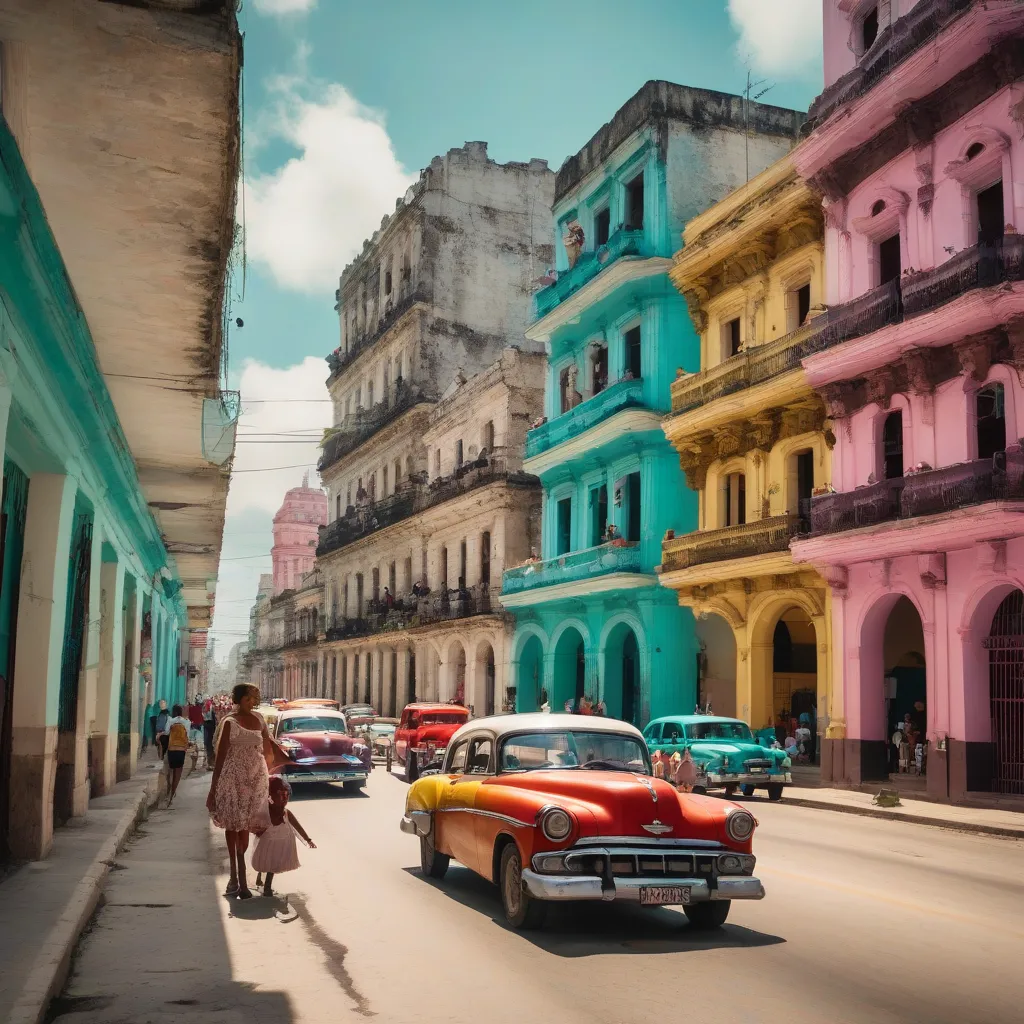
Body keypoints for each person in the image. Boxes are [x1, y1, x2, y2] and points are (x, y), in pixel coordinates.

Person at [206, 684, 289, 899]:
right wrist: (213, 790)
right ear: (240, 699)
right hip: (233, 779)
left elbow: (268, 751)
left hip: (255, 780)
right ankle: (235, 875)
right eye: (250, 698)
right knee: (233, 825)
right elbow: (221, 758)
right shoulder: (229, 723)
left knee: (245, 827)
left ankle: (240, 878)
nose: (253, 702)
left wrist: (271, 778)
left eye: (255, 698)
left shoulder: (260, 720)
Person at [252, 777, 315, 898]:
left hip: (279, 847)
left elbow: (298, 827)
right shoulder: (265, 812)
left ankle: (267, 887)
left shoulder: (286, 813)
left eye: (287, 795)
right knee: (264, 863)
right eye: (281, 795)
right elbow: (255, 827)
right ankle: (261, 878)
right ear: (270, 796)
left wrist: (308, 839)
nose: (285, 798)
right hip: (266, 846)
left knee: (272, 866)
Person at [162, 705, 192, 807]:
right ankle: (172, 793)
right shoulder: (186, 722)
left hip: (171, 748)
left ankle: (169, 790)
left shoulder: (170, 720)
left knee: (170, 771)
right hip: (181, 749)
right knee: (178, 772)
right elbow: (188, 735)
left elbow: (166, 732)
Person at [202, 696, 217, 769]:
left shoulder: (207, 707)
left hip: (208, 727)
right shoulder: (210, 707)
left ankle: (210, 763)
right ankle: (210, 763)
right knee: (210, 746)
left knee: (209, 746)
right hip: (210, 727)